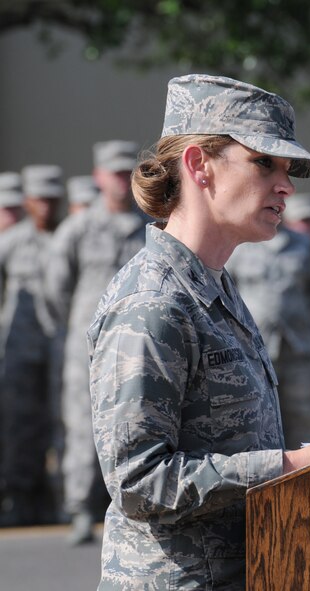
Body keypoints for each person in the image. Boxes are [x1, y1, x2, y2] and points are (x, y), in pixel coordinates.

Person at [87, 74, 310, 589]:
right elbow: (139, 483)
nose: (286, 185)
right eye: (264, 162)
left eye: (288, 170)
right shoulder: (153, 303)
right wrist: (288, 464)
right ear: (198, 165)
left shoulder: (212, 286)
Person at [45, 140, 149, 545]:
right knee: (81, 427)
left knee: (135, 424)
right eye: (114, 173)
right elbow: (55, 291)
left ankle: (130, 509)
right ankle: (80, 510)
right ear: (98, 176)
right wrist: (79, 327)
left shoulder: (151, 224)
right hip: (85, 348)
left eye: (128, 172)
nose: (122, 181)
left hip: (136, 347)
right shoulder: (77, 229)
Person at [0, 165, 65, 526]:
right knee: (20, 425)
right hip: (20, 351)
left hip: (59, 348)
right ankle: (21, 497)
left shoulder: (67, 236)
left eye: (51, 197)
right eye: (39, 198)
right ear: (27, 201)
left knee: (62, 422)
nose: (46, 205)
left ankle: (57, 496)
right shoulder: (9, 243)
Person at [226, 209, 310, 449]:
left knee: (303, 415)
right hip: (254, 351)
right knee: (257, 417)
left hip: (296, 348)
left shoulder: (302, 245)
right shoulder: (241, 245)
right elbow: (227, 292)